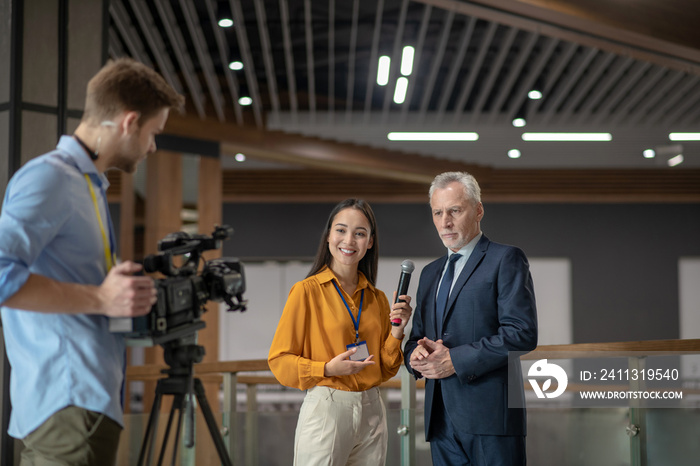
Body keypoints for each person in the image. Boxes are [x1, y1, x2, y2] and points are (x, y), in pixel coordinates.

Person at [0, 58, 184, 465]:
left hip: (85, 403)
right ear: (129, 121)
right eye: (153, 133)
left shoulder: (88, 185)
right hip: (67, 405)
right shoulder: (51, 178)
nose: (153, 146)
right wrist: (101, 299)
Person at [404, 171, 538, 466]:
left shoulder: (506, 259)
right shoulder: (429, 273)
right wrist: (414, 355)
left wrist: (456, 360)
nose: (445, 222)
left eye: (454, 210)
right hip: (440, 421)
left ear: (478, 210)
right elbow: (418, 337)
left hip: (493, 420)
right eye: (438, 213)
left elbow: (522, 332)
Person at [268, 198, 413, 466]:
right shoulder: (307, 292)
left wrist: (397, 332)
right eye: (341, 230)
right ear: (328, 236)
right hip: (328, 407)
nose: (349, 240)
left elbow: (385, 369)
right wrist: (326, 369)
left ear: (370, 242)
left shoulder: (377, 298)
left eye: (360, 233)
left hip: (372, 409)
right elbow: (279, 362)